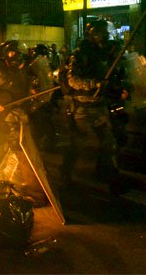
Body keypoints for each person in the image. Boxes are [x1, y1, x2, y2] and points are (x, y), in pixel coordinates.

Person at [60, 20, 128, 195]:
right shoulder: (80, 54)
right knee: (78, 144)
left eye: (105, 32)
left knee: (109, 143)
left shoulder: (105, 52)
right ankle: (65, 174)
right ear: (92, 34)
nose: (104, 35)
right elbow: (72, 79)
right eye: (100, 32)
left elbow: (115, 73)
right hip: (82, 107)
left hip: (99, 106)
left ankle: (111, 179)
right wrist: (93, 84)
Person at [0, 40, 31, 178]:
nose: (12, 56)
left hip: (19, 111)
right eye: (10, 53)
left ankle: (14, 172)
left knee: (20, 144)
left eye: (15, 53)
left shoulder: (26, 69)